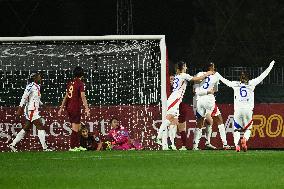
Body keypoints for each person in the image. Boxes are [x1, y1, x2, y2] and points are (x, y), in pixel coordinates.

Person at [216, 60, 275, 152]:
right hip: (248, 110)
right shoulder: (252, 83)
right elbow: (264, 75)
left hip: (238, 110)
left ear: (240, 78)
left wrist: (217, 74)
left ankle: (237, 145)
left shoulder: (235, 84)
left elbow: (224, 80)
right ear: (248, 78)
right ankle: (245, 139)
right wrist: (271, 65)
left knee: (236, 129)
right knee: (248, 128)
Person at [156, 61, 213, 150]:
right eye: (185, 66)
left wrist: (202, 78)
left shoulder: (177, 76)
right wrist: (207, 74)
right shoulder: (183, 75)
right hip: (175, 98)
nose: (186, 68)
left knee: (174, 121)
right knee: (169, 117)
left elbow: (195, 80)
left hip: (174, 98)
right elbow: (196, 79)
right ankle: (158, 137)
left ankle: (171, 144)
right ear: (182, 67)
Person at [9, 73, 51, 152]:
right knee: (40, 126)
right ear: (34, 78)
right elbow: (24, 97)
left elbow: (36, 99)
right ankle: (45, 148)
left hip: (34, 109)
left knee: (26, 128)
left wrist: (43, 105)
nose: (40, 78)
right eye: (39, 77)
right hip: (31, 110)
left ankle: (12, 144)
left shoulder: (37, 87)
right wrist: (20, 109)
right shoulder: (30, 86)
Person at [192, 63, 230, 150]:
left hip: (199, 100)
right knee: (219, 120)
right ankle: (224, 143)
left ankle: (197, 145)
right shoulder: (215, 76)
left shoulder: (199, 74)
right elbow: (215, 90)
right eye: (213, 67)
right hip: (209, 100)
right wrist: (208, 91)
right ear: (210, 68)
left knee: (202, 122)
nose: (214, 68)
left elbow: (194, 90)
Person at [58, 66, 90, 151]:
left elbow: (66, 96)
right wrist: (87, 108)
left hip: (69, 107)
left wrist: (61, 108)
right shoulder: (80, 83)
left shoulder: (70, 83)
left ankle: (77, 145)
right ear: (82, 74)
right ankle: (72, 147)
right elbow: (83, 96)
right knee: (75, 128)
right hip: (75, 107)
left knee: (78, 127)